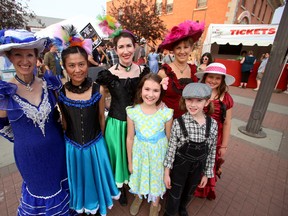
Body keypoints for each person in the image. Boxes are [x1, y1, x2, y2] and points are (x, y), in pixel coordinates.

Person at [0, 29, 75, 215]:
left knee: (62, 194)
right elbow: (2, 126)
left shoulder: (48, 84)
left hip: (58, 153)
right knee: (43, 196)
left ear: (36, 58)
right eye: (18, 54)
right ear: (10, 57)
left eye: (29, 55)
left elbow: (62, 115)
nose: (25, 61)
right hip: (30, 160)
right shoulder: (4, 92)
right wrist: (24, 139)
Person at [57, 27, 120, 215]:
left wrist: (101, 146)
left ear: (88, 64)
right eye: (72, 65)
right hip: (73, 147)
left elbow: (101, 117)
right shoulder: (60, 93)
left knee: (95, 180)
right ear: (64, 67)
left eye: (81, 64)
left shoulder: (98, 90)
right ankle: (82, 207)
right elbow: (65, 122)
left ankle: (97, 205)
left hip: (95, 145)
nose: (77, 70)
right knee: (79, 181)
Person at [96, 30, 150, 206]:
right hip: (117, 125)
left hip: (140, 125)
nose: (125, 51)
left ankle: (136, 185)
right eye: (121, 47)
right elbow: (100, 97)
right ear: (115, 49)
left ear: (135, 48)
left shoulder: (143, 71)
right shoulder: (108, 73)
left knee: (137, 157)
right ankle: (121, 188)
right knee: (119, 159)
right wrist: (105, 113)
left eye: (129, 46)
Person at [163, 83, 218, 216]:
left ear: (206, 102)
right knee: (175, 191)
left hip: (199, 166)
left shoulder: (213, 124)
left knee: (189, 190)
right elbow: (171, 149)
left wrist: (206, 173)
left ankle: (182, 207)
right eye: (189, 100)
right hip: (180, 165)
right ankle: (170, 212)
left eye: (199, 101)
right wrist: (166, 172)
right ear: (184, 101)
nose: (193, 105)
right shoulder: (178, 122)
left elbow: (211, 151)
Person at [126, 73, 173, 216]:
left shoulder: (166, 113)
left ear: (161, 92)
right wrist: (130, 161)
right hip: (140, 152)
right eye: (147, 89)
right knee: (140, 174)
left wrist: (168, 166)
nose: (150, 94)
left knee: (156, 178)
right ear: (141, 90)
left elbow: (170, 139)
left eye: (156, 90)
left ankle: (155, 204)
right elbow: (130, 138)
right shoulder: (133, 112)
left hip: (158, 154)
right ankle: (139, 197)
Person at [194, 62, 235, 200]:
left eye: (218, 78)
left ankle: (203, 189)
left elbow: (228, 122)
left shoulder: (226, 97)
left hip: (215, 138)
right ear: (205, 77)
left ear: (222, 80)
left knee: (209, 163)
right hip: (197, 134)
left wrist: (224, 145)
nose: (213, 80)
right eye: (210, 77)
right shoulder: (198, 92)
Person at [158, 20, 204, 119]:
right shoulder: (163, 72)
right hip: (167, 123)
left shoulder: (194, 71)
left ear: (191, 48)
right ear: (173, 50)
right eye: (178, 48)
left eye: (186, 47)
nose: (182, 51)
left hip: (189, 122)